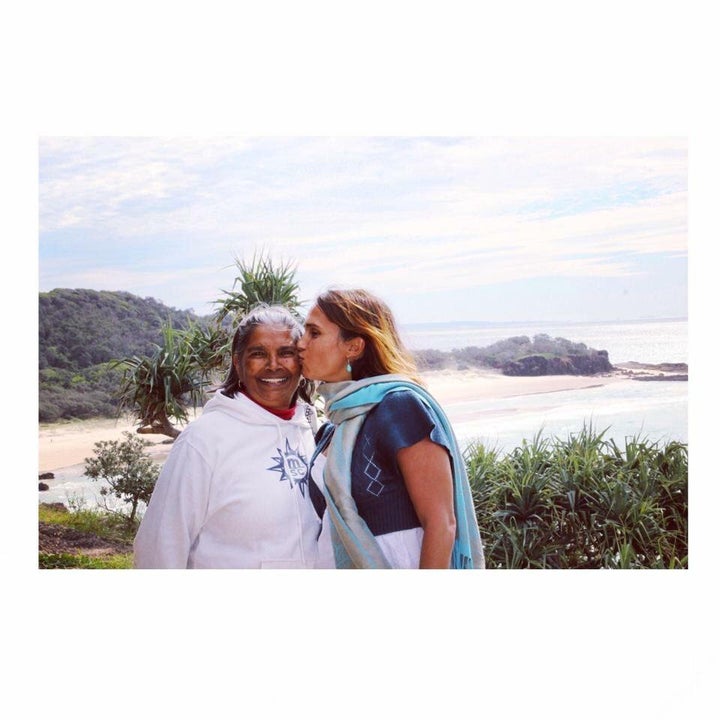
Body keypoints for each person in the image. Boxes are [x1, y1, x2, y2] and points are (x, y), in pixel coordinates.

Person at [298, 288, 485, 569]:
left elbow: (441, 522)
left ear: (353, 347)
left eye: (314, 333)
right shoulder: (332, 428)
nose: (300, 344)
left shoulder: (398, 408)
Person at [134, 304, 324, 569]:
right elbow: (158, 548)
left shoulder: (313, 432)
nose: (273, 365)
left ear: (301, 360)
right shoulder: (202, 440)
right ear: (237, 361)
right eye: (258, 354)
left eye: (286, 353)